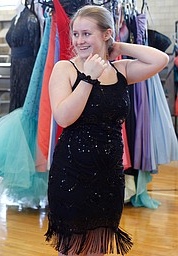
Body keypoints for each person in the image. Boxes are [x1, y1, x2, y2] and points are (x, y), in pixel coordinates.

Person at [44, 5, 168, 256]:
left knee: (98, 248)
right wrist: (88, 78)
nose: (79, 40)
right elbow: (64, 117)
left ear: (106, 34)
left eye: (86, 34)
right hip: (72, 173)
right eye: (76, 34)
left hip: (109, 175)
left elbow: (160, 59)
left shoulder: (120, 70)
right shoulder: (65, 69)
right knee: (72, 249)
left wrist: (118, 48)